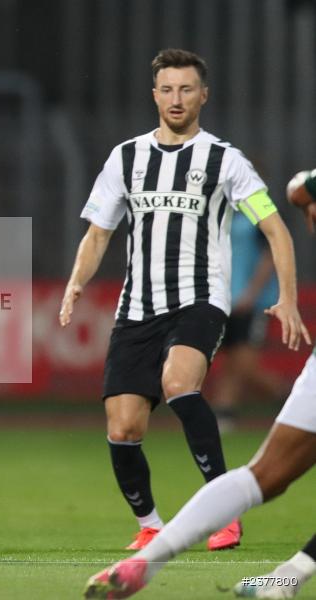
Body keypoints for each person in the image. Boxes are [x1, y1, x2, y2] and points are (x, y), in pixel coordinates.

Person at [59, 48, 309, 553]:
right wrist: (75, 281)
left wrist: (287, 297)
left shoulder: (225, 160)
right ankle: (151, 524)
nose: (176, 99)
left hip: (201, 298)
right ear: (155, 95)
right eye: (167, 89)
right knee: (124, 427)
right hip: (137, 307)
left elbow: (276, 228)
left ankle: (226, 515)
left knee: (179, 384)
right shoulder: (125, 157)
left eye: (186, 89)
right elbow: (98, 233)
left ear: (203, 95)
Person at [82, 168, 316, 600]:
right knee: (263, 471)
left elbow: (299, 189)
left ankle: (282, 579)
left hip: (219, 303)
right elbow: (299, 191)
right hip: (184, 303)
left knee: (261, 475)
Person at [211, 211, 283, 432]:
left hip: (251, 302)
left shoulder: (256, 213)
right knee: (232, 361)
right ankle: (223, 414)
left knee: (245, 365)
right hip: (221, 300)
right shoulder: (217, 212)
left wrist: (252, 293)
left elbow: (270, 255)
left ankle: (293, 398)